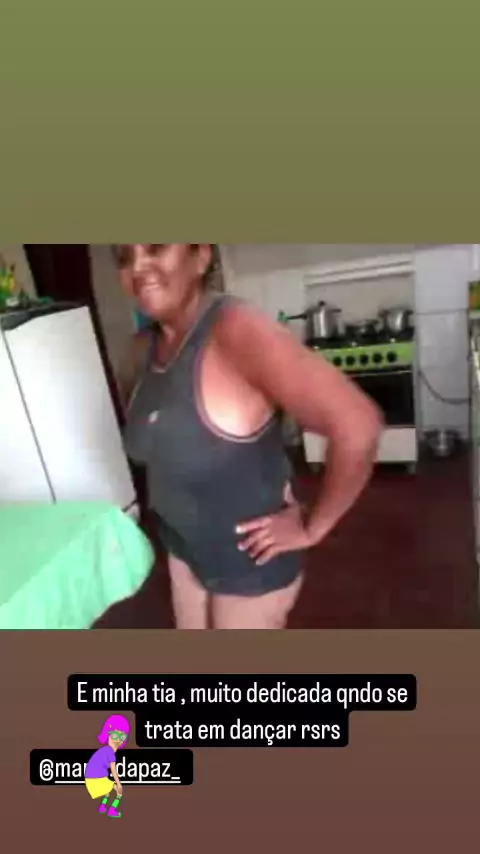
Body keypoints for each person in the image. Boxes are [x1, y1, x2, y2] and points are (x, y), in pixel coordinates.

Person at [115, 244, 383, 630]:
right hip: (183, 549)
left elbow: (358, 425)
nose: (138, 266)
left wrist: (312, 526)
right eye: (124, 258)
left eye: (156, 247)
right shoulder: (140, 350)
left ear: (200, 256)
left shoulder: (237, 328)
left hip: (249, 563)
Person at [84, 715, 130, 819]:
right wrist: (119, 784)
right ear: (107, 734)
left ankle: (102, 807)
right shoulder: (110, 753)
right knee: (119, 792)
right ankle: (112, 810)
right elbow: (114, 770)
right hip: (97, 780)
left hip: (90, 780)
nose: (117, 740)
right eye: (114, 735)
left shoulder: (103, 750)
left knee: (107, 790)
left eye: (122, 737)